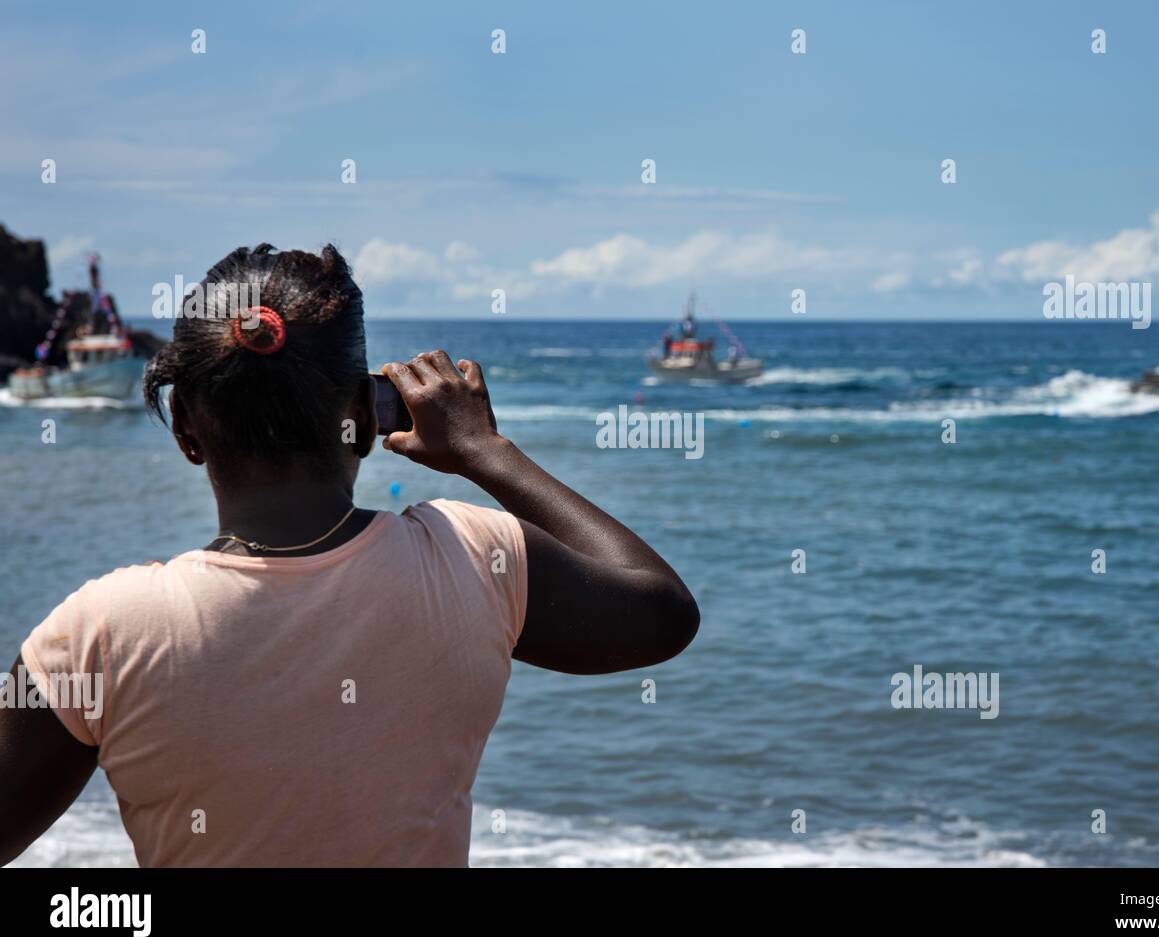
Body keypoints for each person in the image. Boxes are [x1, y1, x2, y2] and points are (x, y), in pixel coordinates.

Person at [0, 243, 698, 867]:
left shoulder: (99, 634)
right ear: (366, 420)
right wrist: (486, 452)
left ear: (185, 426)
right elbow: (662, 610)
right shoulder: (473, 560)